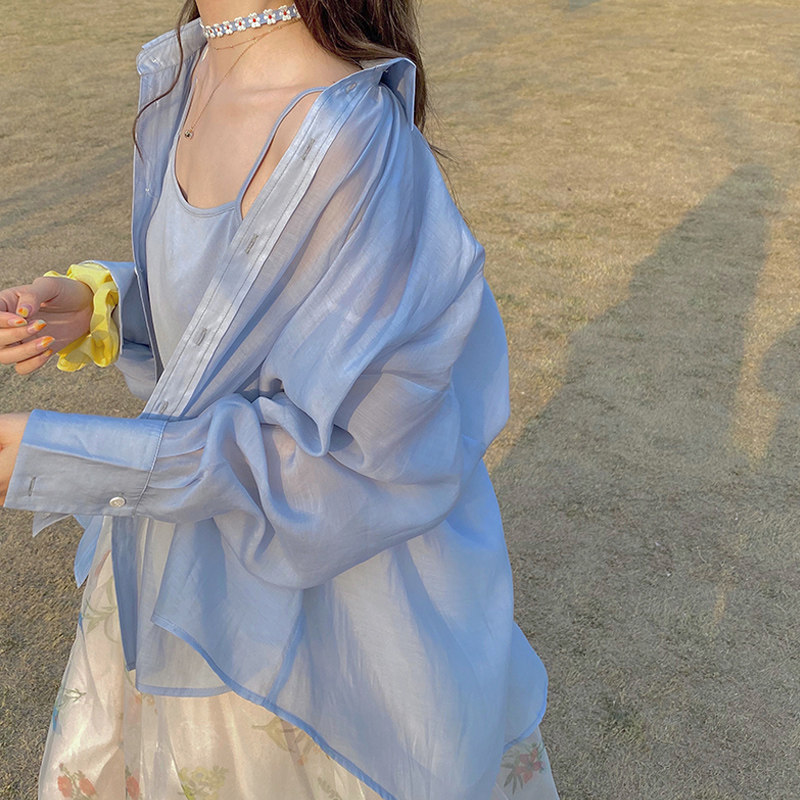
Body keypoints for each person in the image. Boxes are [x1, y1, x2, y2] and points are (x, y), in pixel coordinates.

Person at [0, 2, 559, 799]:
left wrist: (81, 460)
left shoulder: (356, 141)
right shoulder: (187, 70)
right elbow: (231, 319)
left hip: (316, 636)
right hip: (181, 577)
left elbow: (355, 458)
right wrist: (108, 306)